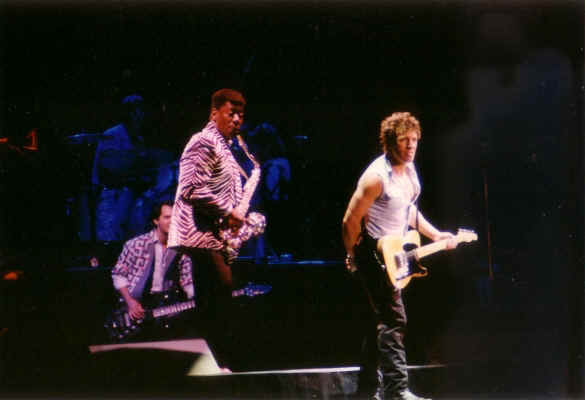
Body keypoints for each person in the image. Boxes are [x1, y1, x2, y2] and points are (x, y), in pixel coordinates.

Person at [342, 112, 457, 400]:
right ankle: (396, 391)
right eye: (405, 140)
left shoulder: (410, 169)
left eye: (414, 140)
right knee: (394, 319)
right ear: (390, 142)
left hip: (395, 251)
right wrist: (353, 255)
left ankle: (368, 389)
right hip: (372, 252)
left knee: (380, 318)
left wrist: (436, 235)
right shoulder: (376, 177)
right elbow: (349, 220)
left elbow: (408, 210)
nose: (411, 146)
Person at [168, 88, 251, 370]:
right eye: (232, 113)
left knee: (214, 297)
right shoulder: (203, 141)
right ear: (214, 113)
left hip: (214, 233)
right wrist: (228, 212)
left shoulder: (225, 146)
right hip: (199, 232)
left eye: (241, 115)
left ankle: (215, 362)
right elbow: (191, 188)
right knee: (220, 293)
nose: (237, 120)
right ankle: (219, 361)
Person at [112, 200, 194, 322]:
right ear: (156, 221)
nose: (172, 221)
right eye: (167, 217)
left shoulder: (182, 249)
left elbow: (187, 280)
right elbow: (118, 275)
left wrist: (197, 296)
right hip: (135, 306)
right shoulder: (136, 244)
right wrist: (130, 302)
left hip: (165, 307)